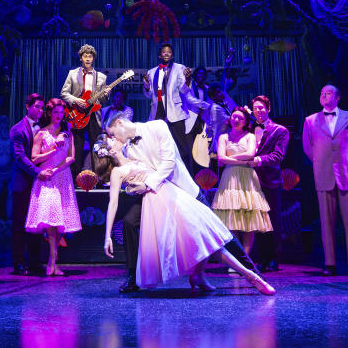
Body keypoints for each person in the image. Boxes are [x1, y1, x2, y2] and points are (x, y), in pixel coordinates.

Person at [99, 118, 275, 295]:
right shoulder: (128, 148)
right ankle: (133, 275)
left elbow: (168, 163)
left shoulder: (157, 126)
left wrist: (145, 184)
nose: (115, 139)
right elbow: (133, 178)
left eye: (113, 134)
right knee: (130, 222)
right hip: (155, 195)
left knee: (218, 234)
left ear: (120, 122)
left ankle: (252, 274)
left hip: (182, 189)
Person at [302, 85, 348, 277]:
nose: (324, 96)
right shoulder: (310, 120)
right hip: (323, 173)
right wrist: (321, 162)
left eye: (328, 93)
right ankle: (329, 263)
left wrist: (347, 163)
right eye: (321, 93)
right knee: (326, 221)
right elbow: (308, 147)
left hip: (346, 173)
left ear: (338, 97)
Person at [24, 98, 82, 276]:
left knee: (60, 221)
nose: (59, 115)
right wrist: (53, 149)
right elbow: (34, 158)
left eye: (61, 112)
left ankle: (53, 260)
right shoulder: (41, 134)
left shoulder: (67, 132)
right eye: (55, 112)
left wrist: (58, 169)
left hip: (62, 177)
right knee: (50, 219)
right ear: (49, 113)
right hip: (47, 178)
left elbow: (71, 157)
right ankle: (52, 259)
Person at [211, 107, 273, 256]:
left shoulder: (250, 136)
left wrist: (230, 159)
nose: (236, 120)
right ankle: (237, 257)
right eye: (234, 117)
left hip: (247, 178)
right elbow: (220, 158)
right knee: (231, 219)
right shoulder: (223, 137)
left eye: (240, 118)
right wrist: (241, 159)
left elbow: (251, 154)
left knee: (248, 218)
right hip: (229, 178)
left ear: (245, 121)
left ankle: (246, 259)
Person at [247, 95, 288, 272]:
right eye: (256, 108)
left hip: (269, 180)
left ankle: (273, 258)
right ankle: (260, 258)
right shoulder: (247, 129)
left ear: (268, 109)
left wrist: (259, 160)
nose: (259, 111)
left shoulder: (280, 130)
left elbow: (278, 156)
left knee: (272, 221)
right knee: (255, 221)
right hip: (249, 181)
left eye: (262, 108)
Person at [142, 42, 197, 170]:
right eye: (164, 52)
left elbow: (184, 91)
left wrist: (188, 80)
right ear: (160, 55)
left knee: (181, 146)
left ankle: (186, 174)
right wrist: (146, 85)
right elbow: (148, 95)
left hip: (175, 112)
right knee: (157, 146)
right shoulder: (152, 71)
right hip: (157, 111)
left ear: (172, 56)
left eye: (169, 52)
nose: (166, 53)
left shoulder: (179, 68)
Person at [9, 93, 47, 275]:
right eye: (36, 107)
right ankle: (18, 262)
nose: (39, 110)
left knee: (37, 224)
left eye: (41, 107)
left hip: (40, 184)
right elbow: (20, 157)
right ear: (27, 106)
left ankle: (35, 262)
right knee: (19, 224)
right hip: (24, 182)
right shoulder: (17, 129)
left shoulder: (45, 127)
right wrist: (38, 173)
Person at [61, 44, 107, 176]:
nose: (88, 58)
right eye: (85, 56)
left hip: (93, 114)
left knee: (96, 146)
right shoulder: (72, 73)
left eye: (90, 56)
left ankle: (98, 177)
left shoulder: (101, 77)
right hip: (77, 113)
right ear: (81, 58)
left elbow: (102, 101)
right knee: (77, 145)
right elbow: (64, 93)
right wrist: (76, 100)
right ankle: (75, 177)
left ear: (94, 59)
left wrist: (106, 94)